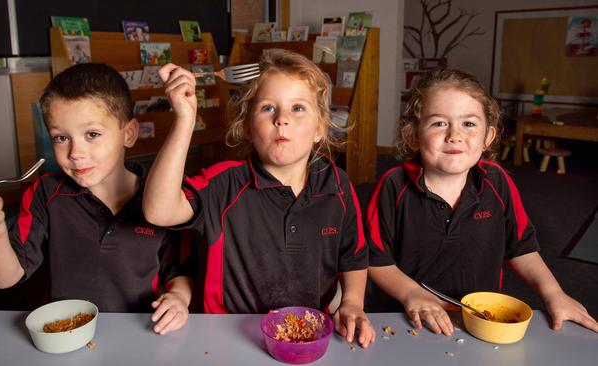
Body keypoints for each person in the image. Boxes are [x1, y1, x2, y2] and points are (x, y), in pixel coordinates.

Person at [143, 49, 375, 347]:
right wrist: (185, 120)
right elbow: (158, 212)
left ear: (320, 128)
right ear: (248, 128)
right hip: (225, 337)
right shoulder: (223, 184)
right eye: (267, 108)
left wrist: (353, 302)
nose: (282, 120)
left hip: (308, 335)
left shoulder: (337, 185)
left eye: (298, 108)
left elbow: (353, 255)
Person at [0, 63, 194, 335]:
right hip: (66, 336)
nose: (75, 152)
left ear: (128, 133)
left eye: (92, 134)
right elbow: (5, 277)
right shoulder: (46, 193)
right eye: (61, 137)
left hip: (143, 332)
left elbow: (178, 271)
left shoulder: (164, 199)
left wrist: (179, 299)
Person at [366, 68, 598, 335]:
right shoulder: (393, 186)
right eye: (439, 123)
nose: (455, 135)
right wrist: (412, 294)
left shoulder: (498, 182)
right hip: (405, 320)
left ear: (488, 137)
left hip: (478, 321)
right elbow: (375, 259)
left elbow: (522, 248)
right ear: (413, 136)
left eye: (468, 123)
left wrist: (554, 294)